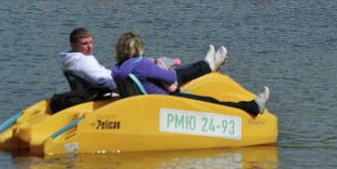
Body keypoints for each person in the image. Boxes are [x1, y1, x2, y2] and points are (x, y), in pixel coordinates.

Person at [111, 32, 270, 117]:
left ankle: (207, 65)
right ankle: (253, 107)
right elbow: (171, 78)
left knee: (181, 75)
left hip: (146, 106)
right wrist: (167, 70)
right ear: (139, 49)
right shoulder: (141, 64)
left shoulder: (117, 69)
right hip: (165, 103)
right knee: (210, 101)